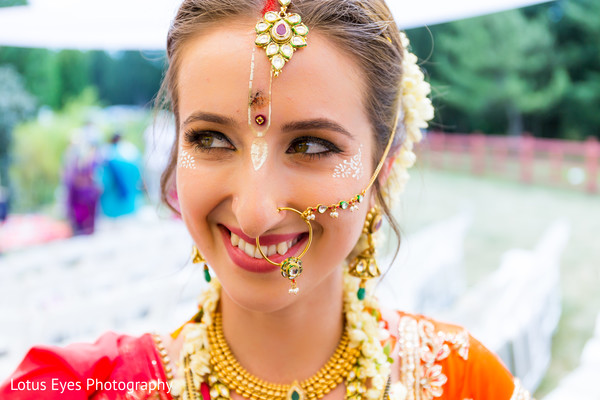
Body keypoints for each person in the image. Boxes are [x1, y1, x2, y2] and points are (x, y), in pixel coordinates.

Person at [0, 0, 533, 399]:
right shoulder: (73, 387)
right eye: (210, 139)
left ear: (381, 169)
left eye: (311, 145)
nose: (255, 212)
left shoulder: (461, 381)